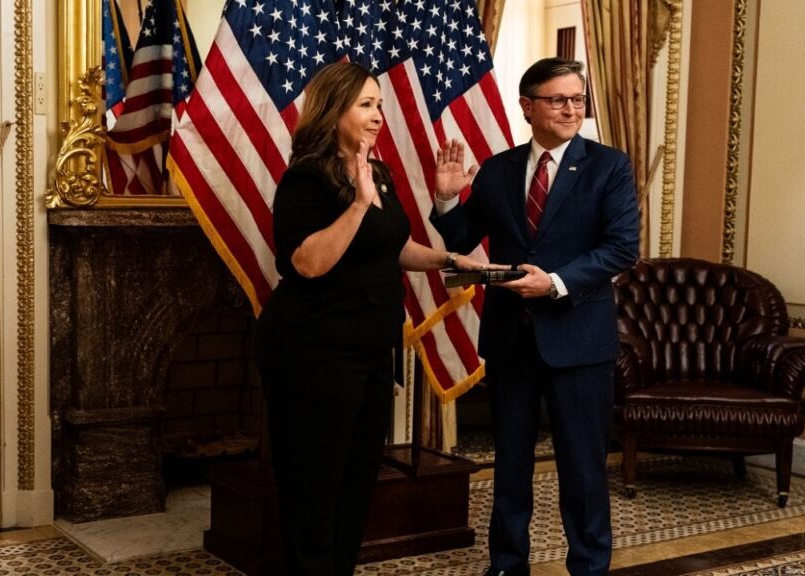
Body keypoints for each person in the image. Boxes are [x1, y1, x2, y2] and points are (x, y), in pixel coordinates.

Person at [254, 61, 496, 576]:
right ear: (333, 109)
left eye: (380, 104)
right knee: (314, 487)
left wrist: (452, 261)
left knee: (355, 482)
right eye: (366, 104)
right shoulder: (305, 178)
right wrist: (360, 204)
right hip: (311, 352)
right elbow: (308, 263)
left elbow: (393, 246)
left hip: (369, 349)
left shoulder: (376, 171)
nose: (378, 115)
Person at [430, 57, 640, 576]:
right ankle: (507, 564)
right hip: (510, 342)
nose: (572, 109)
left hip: (578, 339)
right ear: (528, 107)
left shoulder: (608, 166)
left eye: (578, 100)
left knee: (583, 469)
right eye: (558, 99)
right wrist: (446, 197)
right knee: (511, 465)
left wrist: (556, 283)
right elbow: (460, 241)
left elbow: (621, 249)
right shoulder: (500, 169)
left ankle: (589, 566)